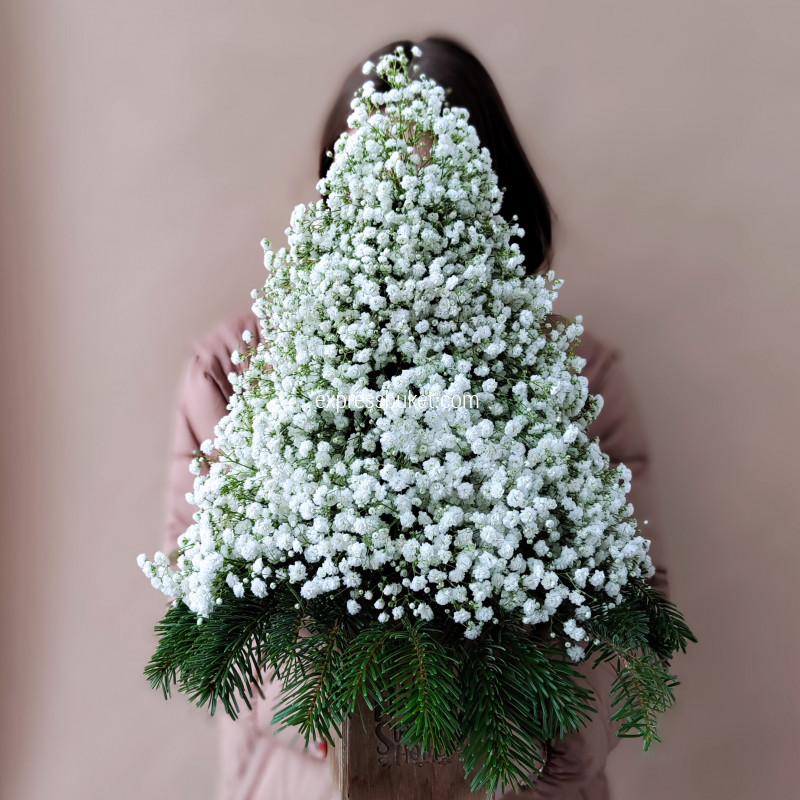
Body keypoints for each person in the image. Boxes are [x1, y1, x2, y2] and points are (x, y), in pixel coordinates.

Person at [162, 36, 670, 800]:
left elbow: (632, 619)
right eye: (384, 184)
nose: (412, 211)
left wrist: (528, 730)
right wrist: (349, 694)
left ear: (494, 198)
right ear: (337, 192)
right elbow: (209, 619)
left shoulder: (575, 380)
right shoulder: (235, 372)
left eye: (440, 189)